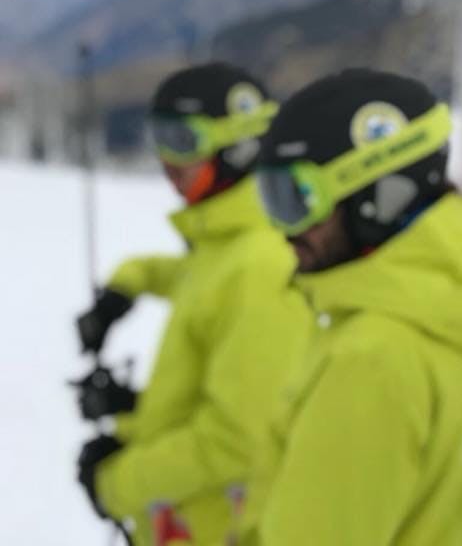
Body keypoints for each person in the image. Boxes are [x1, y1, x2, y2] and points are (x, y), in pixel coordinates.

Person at [242, 68, 462, 545]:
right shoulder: (446, 301)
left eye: (297, 200)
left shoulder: (371, 358)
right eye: (271, 200)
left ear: (375, 195)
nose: (284, 230)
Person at [74, 63, 310, 545]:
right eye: (158, 138)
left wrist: (116, 483)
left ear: (239, 144)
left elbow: (234, 442)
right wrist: (124, 289)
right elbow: (190, 278)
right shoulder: (228, 246)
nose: (166, 160)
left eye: (183, 140)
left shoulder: (261, 266)